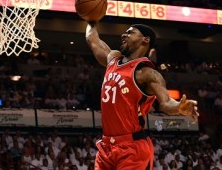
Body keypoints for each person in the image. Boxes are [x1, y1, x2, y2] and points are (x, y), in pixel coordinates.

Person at [85, 22, 199, 170]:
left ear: (145, 39)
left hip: (132, 149)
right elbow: (92, 40)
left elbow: (165, 102)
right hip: (106, 147)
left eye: (130, 32)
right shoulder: (113, 59)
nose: (123, 35)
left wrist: (178, 107)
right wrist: (91, 20)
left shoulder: (147, 73)